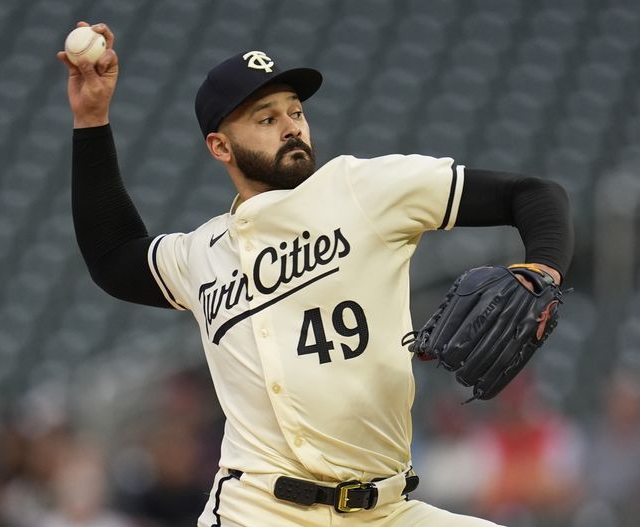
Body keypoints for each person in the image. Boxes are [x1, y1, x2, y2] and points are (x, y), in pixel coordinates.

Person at [58, 21, 573, 527]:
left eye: (296, 111)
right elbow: (113, 257)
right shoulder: (202, 253)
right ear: (220, 147)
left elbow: (532, 195)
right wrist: (91, 118)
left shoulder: (362, 188)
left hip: (387, 509)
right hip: (256, 511)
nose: (291, 127)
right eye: (266, 118)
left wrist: (542, 270)